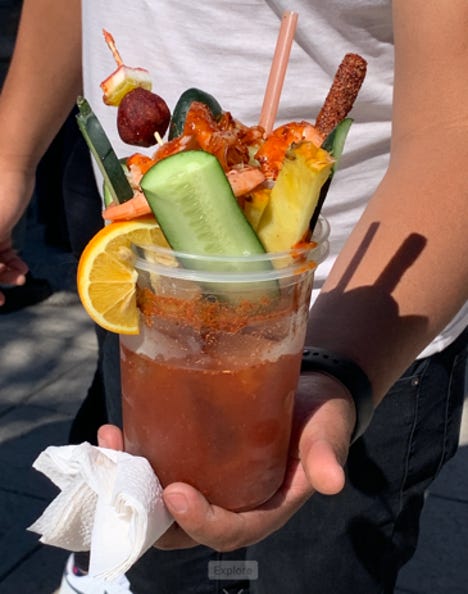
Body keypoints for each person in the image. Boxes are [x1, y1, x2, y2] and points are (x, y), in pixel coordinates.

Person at [1, 1, 467, 593]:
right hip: (149, 297)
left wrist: (335, 370)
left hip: (362, 325)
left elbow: (457, 131)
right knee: (164, 569)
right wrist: (10, 157)